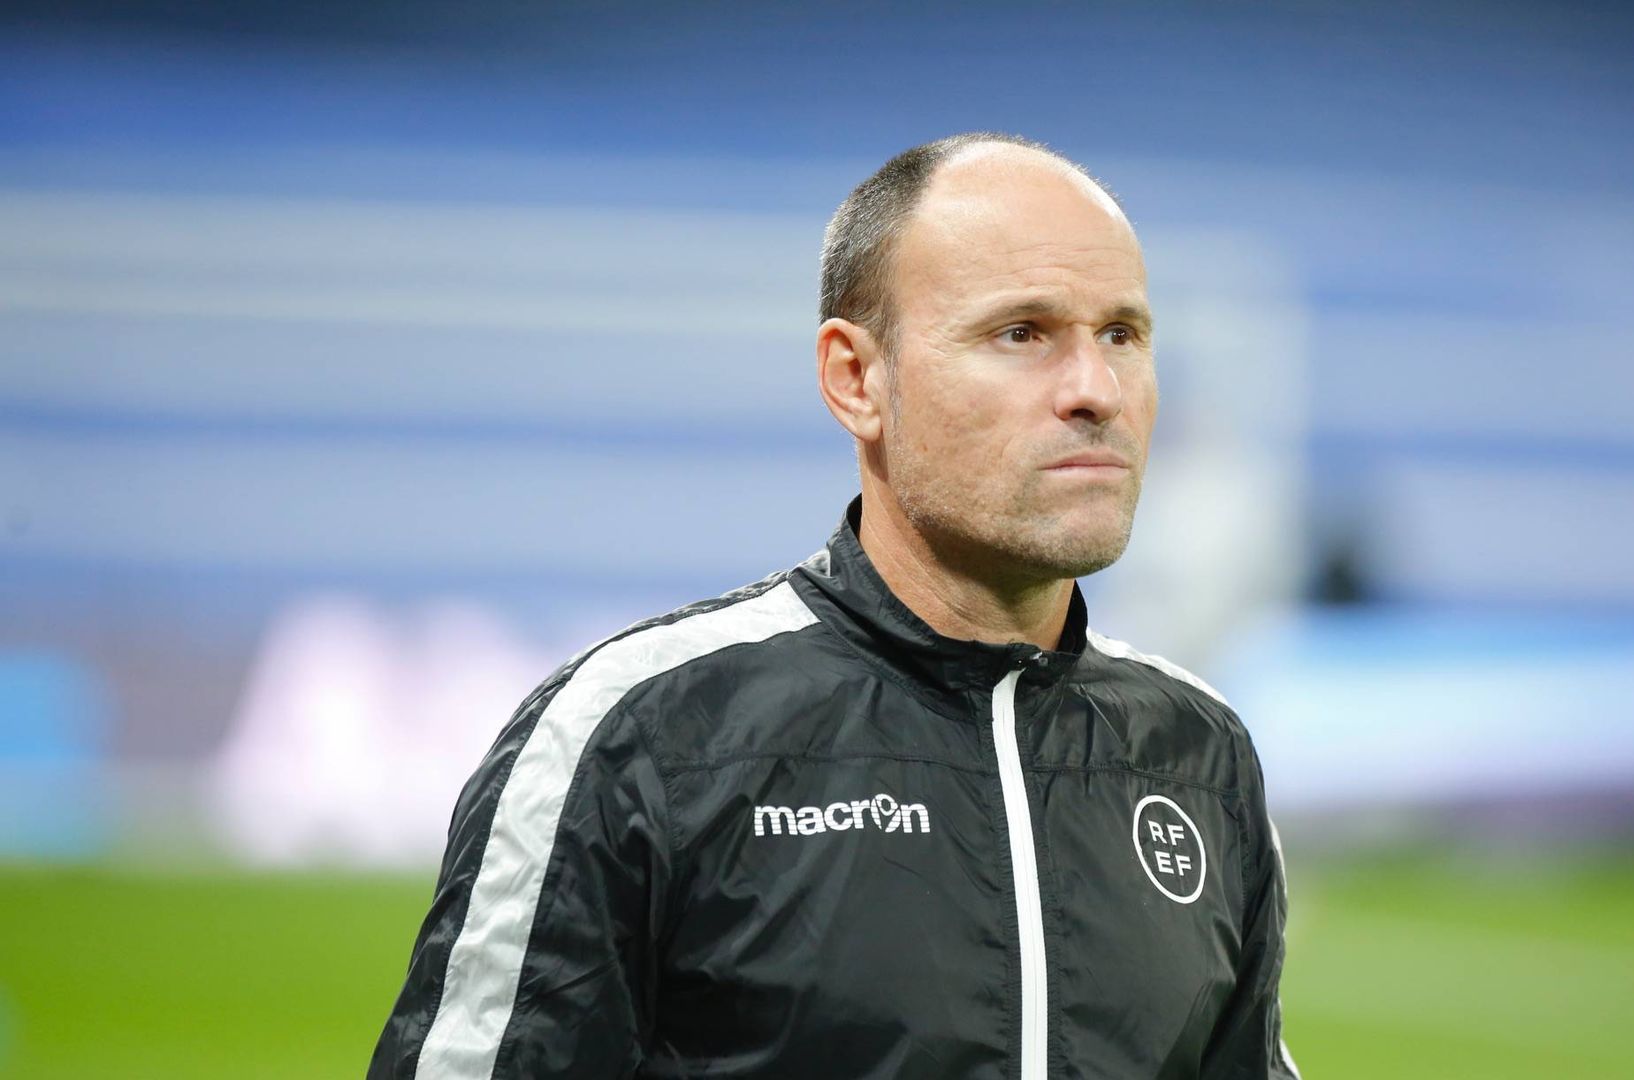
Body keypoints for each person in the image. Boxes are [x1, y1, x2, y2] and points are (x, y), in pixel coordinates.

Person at [369, 132, 1300, 1079]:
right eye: (1021, 333)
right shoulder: (640, 738)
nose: (1096, 391)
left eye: (1122, 335)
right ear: (857, 379)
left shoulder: (1201, 757)